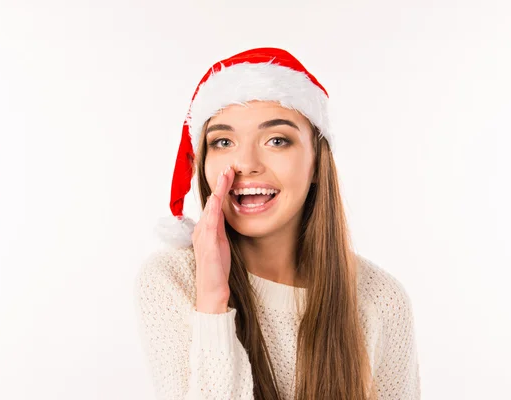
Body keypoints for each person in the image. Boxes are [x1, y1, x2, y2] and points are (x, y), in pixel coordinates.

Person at [133, 47, 421, 400]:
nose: (246, 163)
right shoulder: (172, 280)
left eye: (276, 140)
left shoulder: (380, 299)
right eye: (223, 141)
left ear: (316, 163)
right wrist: (212, 301)